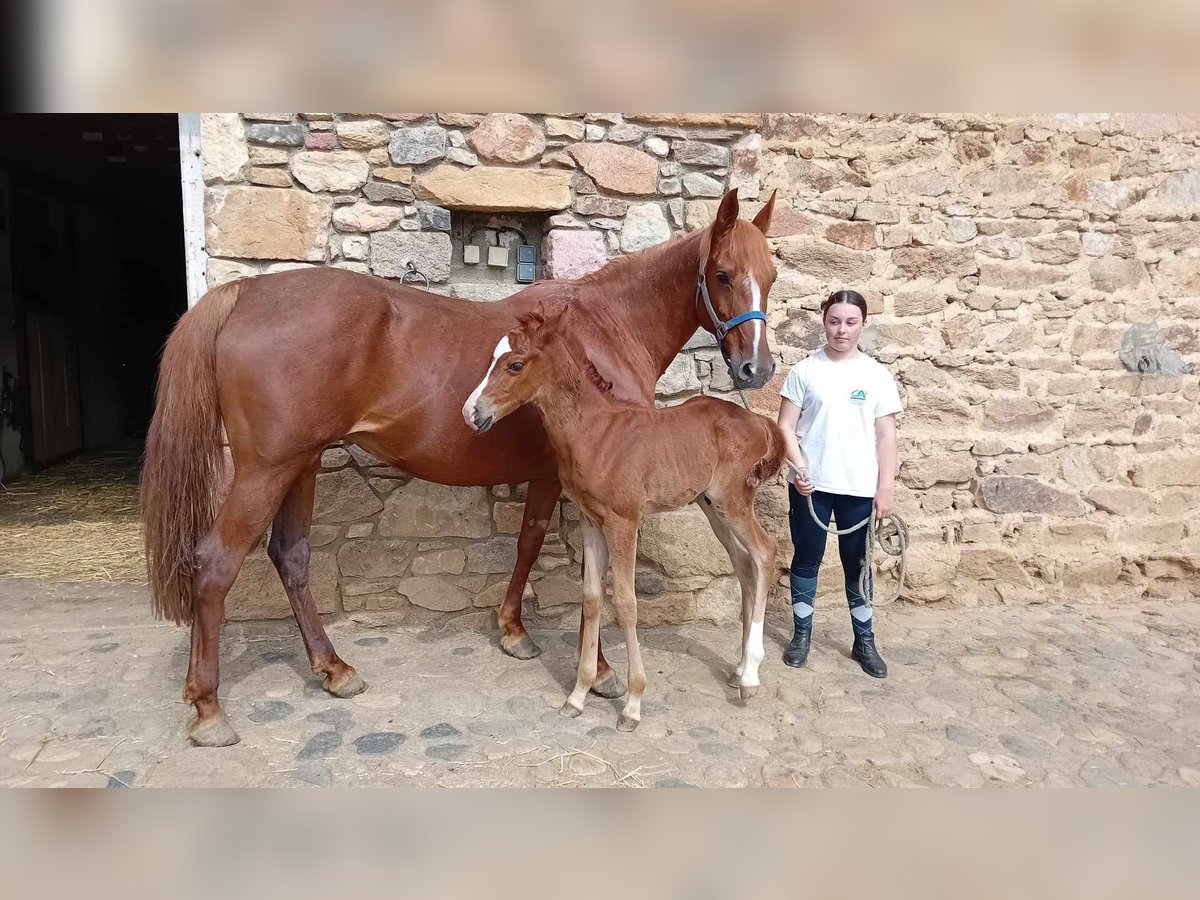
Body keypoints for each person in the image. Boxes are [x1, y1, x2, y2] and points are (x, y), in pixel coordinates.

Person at [776, 290, 901, 678]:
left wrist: (885, 487)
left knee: (857, 563)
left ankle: (864, 640)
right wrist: (798, 470)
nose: (841, 330)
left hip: (859, 487)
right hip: (811, 487)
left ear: (862, 324)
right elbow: (784, 427)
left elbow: (886, 437)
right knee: (808, 557)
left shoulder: (876, 376)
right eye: (834, 321)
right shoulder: (804, 371)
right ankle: (802, 635)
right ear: (823, 322)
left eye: (850, 322)